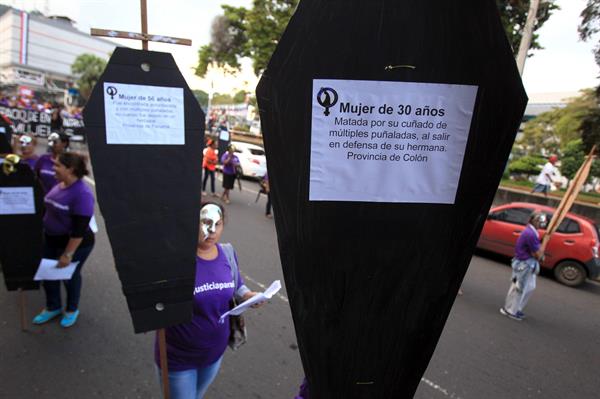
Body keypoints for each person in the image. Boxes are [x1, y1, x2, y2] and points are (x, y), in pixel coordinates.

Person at [155, 202, 262, 399]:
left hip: (214, 354)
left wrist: (248, 296)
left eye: (218, 224)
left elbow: (237, 285)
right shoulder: (174, 259)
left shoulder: (227, 252)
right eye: (205, 222)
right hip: (178, 357)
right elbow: (155, 303)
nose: (212, 230)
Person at [32, 152, 95, 328]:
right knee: (49, 274)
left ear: (71, 169)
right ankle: (53, 307)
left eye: (58, 165)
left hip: (74, 245)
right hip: (51, 240)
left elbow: (79, 230)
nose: (53, 168)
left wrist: (67, 254)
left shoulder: (82, 194)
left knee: (70, 276)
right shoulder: (61, 184)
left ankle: (71, 309)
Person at [500, 211, 546, 321]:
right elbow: (537, 254)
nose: (541, 224)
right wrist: (542, 253)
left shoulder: (533, 232)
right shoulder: (530, 233)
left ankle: (516, 308)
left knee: (530, 287)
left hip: (527, 264)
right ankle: (510, 310)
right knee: (519, 288)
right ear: (534, 221)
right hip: (523, 265)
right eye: (540, 221)